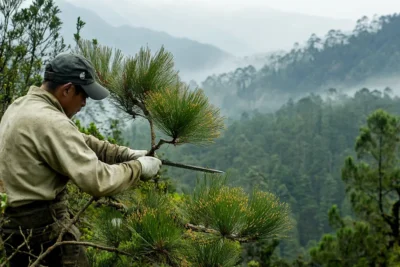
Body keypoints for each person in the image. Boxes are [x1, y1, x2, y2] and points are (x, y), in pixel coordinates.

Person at [0, 53, 162, 266]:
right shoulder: (51, 122)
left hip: (15, 229)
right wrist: (138, 168)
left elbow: (77, 141)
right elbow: (98, 180)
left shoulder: (22, 106)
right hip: (43, 232)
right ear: (67, 89)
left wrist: (125, 154)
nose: (85, 103)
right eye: (83, 94)